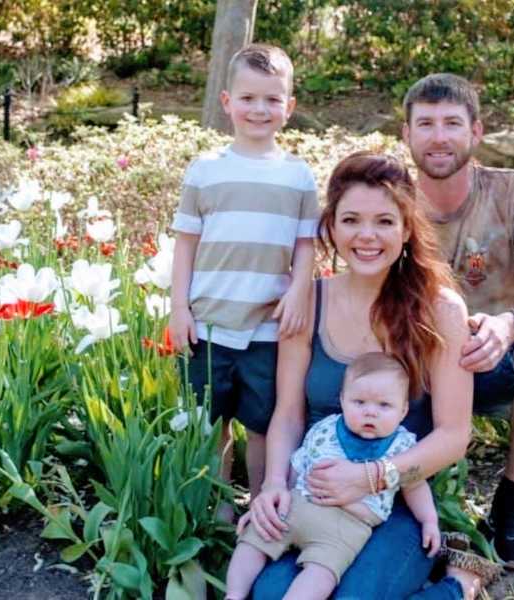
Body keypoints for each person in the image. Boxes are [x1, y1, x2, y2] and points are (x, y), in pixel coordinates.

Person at [249, 152, 487, 599]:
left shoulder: (439, 310)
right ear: (331, 226)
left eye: (383, 221)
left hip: (397, 500)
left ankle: (458, 585)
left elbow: (455, 435)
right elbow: (287, 416)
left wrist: (371, 476)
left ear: (407, 228)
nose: (366, 236)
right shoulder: (310, 302)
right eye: (352, 220)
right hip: (313, 500)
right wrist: (274, 485)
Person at [401, 73, 514, 569]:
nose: (439, 137)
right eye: (427, 124)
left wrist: (509, 325)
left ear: (476, 133)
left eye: (452, 124)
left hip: (494, 359)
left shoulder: (513, 192)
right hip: (413, 370)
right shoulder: (391, 197)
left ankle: (511, 500)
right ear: (406, 135)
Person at [169, 44, 318, 504]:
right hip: (208, 325)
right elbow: (186, 244)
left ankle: (260, 501)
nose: (260, 109)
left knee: (261, 424)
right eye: (248, 98)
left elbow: (306, 244)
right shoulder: (206, 172)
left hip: (267, 329)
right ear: (227, 102)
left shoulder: (298, 176)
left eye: (272, 99)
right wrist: (178, 309)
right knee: (210, 424)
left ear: (288, 108)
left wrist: (298, 290)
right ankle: (214, 508)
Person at [226, 352, 442, 600]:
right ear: (342, 400)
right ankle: (234, 594)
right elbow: (299, 463)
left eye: (384, 405)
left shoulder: (401, 446)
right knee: (254, 539)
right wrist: (278, 494)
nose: (370, 412)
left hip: (346, 526)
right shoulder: (326, 429)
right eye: (359, 402)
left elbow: (414, 485)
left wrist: (429, 520)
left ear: (403, 410)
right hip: (298, 506)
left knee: (322, 574)